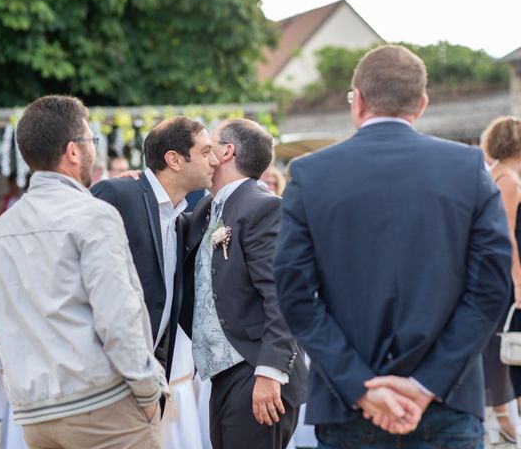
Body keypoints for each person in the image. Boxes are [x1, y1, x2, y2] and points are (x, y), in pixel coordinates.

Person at [273, 44, 512, 448]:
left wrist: (359, 385)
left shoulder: (311, 174)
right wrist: (426, 383)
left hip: (349, 406)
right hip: (447, 401)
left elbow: (295, 293)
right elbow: (491, 288)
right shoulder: (467, 168)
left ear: (358, 100)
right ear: (421, 104)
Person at [0, 95, 167, 449]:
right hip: (102, 405)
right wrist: (148, 389)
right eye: (92, 140)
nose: (94, 150)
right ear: (73, 151)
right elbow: (118, 317)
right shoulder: (93, 215)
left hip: (36, 415)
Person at [182, 118, 308, 449]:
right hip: (224, 375)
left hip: (255, 370)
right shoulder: (209, 208)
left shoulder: (263, 207)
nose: (204, 153)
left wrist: (269, 373)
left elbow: (283, 297)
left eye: (209, 145)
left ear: (226, 152)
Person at [92, 116, 219, 381]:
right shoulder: (118, 194)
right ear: (174, 160)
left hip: (153, 371)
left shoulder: (183, 220)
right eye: (205, 152)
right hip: (105, 370)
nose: (215, 161)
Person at [481, 115, 521, 443]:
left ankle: (501, 419)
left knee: (499, 349)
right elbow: (507, 236)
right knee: (508, 349)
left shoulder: (495, 174)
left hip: (495, 275)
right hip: (508, 277)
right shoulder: (507, 179)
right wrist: (519, 284)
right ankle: (504, 421)